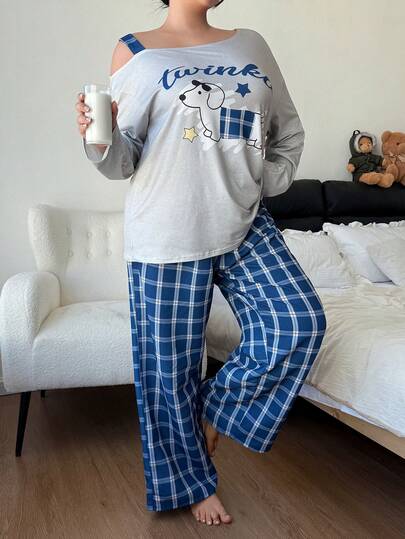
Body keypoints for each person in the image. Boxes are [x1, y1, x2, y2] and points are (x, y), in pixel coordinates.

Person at [75, 0, 327, 527]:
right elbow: (124, 159)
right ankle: (192, 484)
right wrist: (98, 140)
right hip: (166, 232)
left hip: (244, 220)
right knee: (170, 372)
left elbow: (287, 130)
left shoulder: (250, 43)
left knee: (297, 320)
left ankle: (217, 409)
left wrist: (264, 179)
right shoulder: (134, 51)